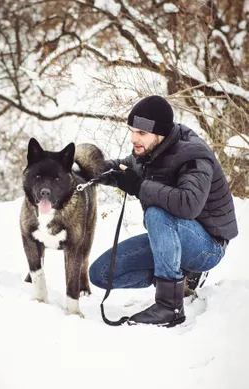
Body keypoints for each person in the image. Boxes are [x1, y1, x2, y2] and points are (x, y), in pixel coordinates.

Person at [89, 95, 238, 327]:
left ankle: (170, 307)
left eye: (141, 133)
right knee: (100, 274)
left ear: (160, 133)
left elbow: (189, 204)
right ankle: (179, 277)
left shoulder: (194, 155)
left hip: (207, 246)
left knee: (157, 213)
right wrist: (81, 171)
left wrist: (138, 186)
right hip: (168, 238)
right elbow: (117, 169)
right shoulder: (146, 152)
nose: (133, 139)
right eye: (131, 131)